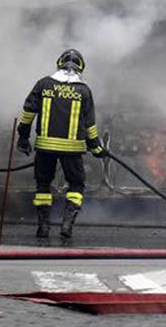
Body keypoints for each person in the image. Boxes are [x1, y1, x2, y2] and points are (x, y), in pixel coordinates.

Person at [16, 49, 105, 239]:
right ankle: (67, 225)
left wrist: (23, 136)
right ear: (80, 67)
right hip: (72, 149)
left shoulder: (44, 84)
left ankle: (43, 227)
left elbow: (27, 113)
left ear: (59, 64)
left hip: (45, 146)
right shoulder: (83, 90)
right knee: (76, 184)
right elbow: (90, 124)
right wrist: (96, 146)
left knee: (43, 185)